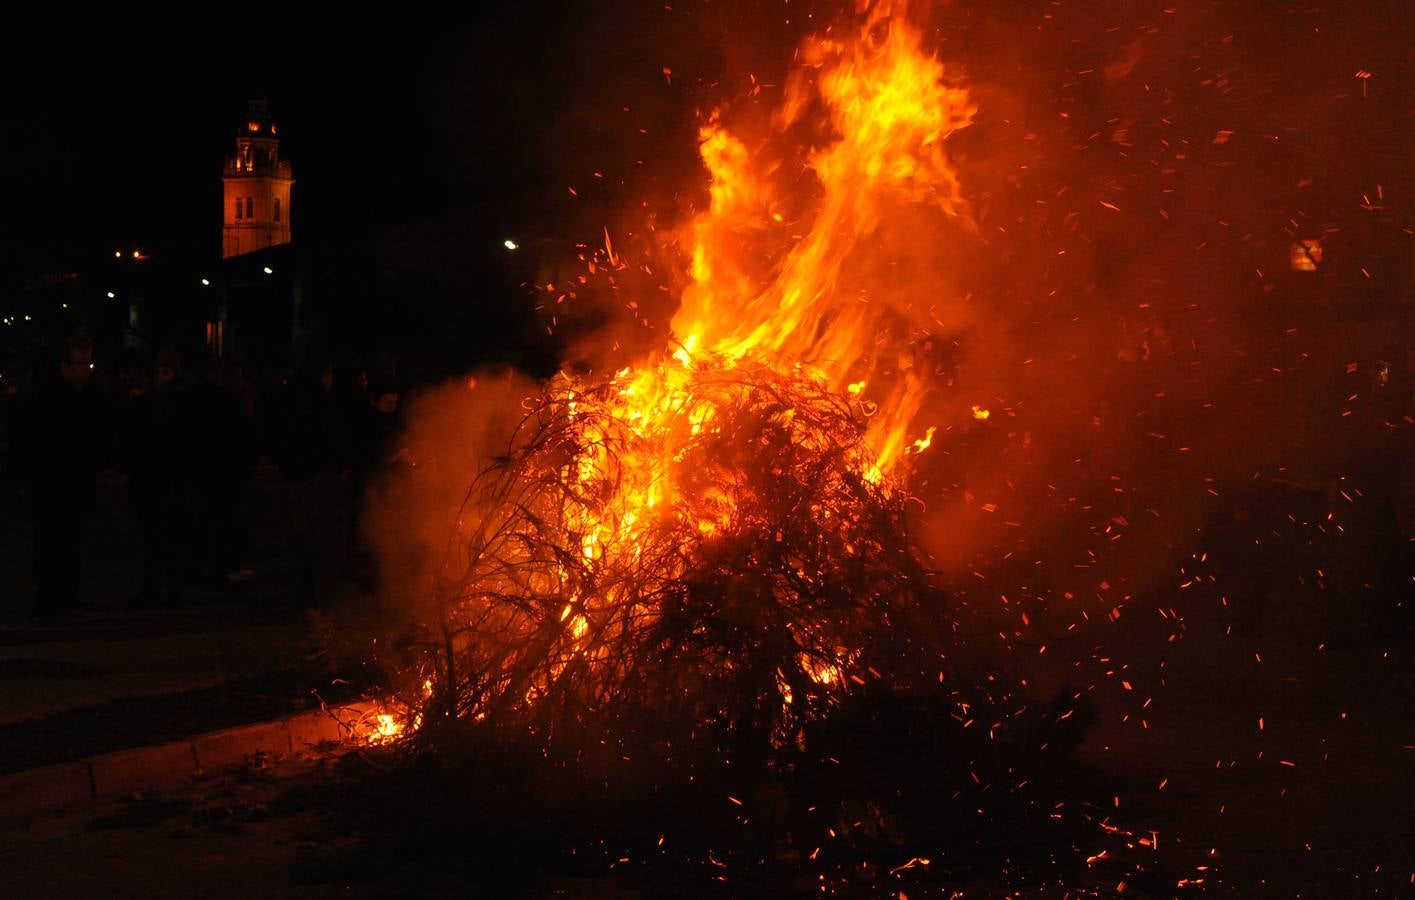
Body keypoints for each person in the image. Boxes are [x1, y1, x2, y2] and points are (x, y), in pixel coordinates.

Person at [12, 337, 107, 623]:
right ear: (63, 366)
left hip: (76, 481)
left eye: (88, 363)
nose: (85, 370)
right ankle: (47, 598)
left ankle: (66, 595)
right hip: (51, 483)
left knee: (71, 540)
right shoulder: (46, 398)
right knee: (51, 540)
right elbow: (32, 442)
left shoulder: (89, 396)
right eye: (79, 363)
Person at [121, 346, 190, 607]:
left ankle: (169, 589)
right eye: (160, 371)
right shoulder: (150, 400)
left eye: (168, 371)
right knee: (154, 537)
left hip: (166, 479)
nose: (163, 376)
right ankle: (158, 588)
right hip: (153, 478)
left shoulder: (174, 402)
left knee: (166, 537)